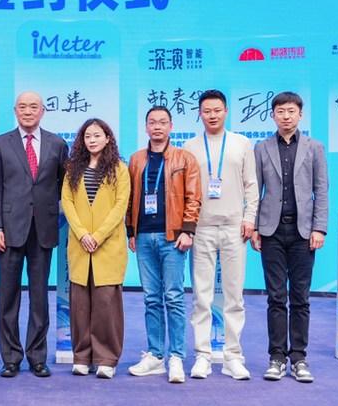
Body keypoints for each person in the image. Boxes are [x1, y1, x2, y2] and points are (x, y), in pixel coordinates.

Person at [0, 91, 68, 378]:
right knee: (8, 297)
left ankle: (37, 357)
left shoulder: (58, 144)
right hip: (9, 231)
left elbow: (65, 187)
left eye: (34, 107)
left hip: (43, 230)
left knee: (39, 297)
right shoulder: (0, 143)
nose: (28, 111)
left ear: (42, 111)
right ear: (15, 111)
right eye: (23, 107)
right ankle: (10, 357)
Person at [252, 92, 328, 383]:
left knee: (300, 298)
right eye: (280, 111)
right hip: (271, 232)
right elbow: (255, 191)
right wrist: (255, 227)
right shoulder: (261, 148)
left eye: (291, 111)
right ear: (273, 115)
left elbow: (321, 191)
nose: (286, 116)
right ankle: (276, 358)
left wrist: (319, 228)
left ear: (300, 115)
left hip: (303, 232)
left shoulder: (315, 147)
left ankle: (299, 358)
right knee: (275, 298)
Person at [185, 89, 259, 380]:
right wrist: (187, 227)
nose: (212, 115)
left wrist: (249, 218)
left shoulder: (242, 143)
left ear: (226, 111)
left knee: (234, 297)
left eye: (217, 110)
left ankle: (232, 357)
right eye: (207, 111)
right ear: (199, 113)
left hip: (234, 228)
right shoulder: (190, 146)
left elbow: (251, 184)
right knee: (201, 297)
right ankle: (203, 356)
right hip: (201, 229)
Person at [125, 106, 201, 383]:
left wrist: (187, 230)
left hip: (173, 237)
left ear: (171, 126)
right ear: (146, 127)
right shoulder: (136, 159)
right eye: (152, 122)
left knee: (174, 297)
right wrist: (131, 231)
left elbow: (194, 197)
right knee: (151, 297)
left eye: (162, 122)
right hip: (144, 236)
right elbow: (130, 197)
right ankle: (156, 356)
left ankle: (176, 357)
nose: (157, 127)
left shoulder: (185, 158)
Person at [61, 119, 131, 379]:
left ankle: (106, 359)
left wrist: (98, 236)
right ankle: (81, 357)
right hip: (80, 246)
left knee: (106, 305)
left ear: (108, 138)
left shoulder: (119, 169)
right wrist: (82, 234)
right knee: (79, 305)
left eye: (97, 135)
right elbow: (67, 201)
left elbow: (121, 205)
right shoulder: (73, 168)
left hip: (108, 245)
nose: (92, 140)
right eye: (87, 136)